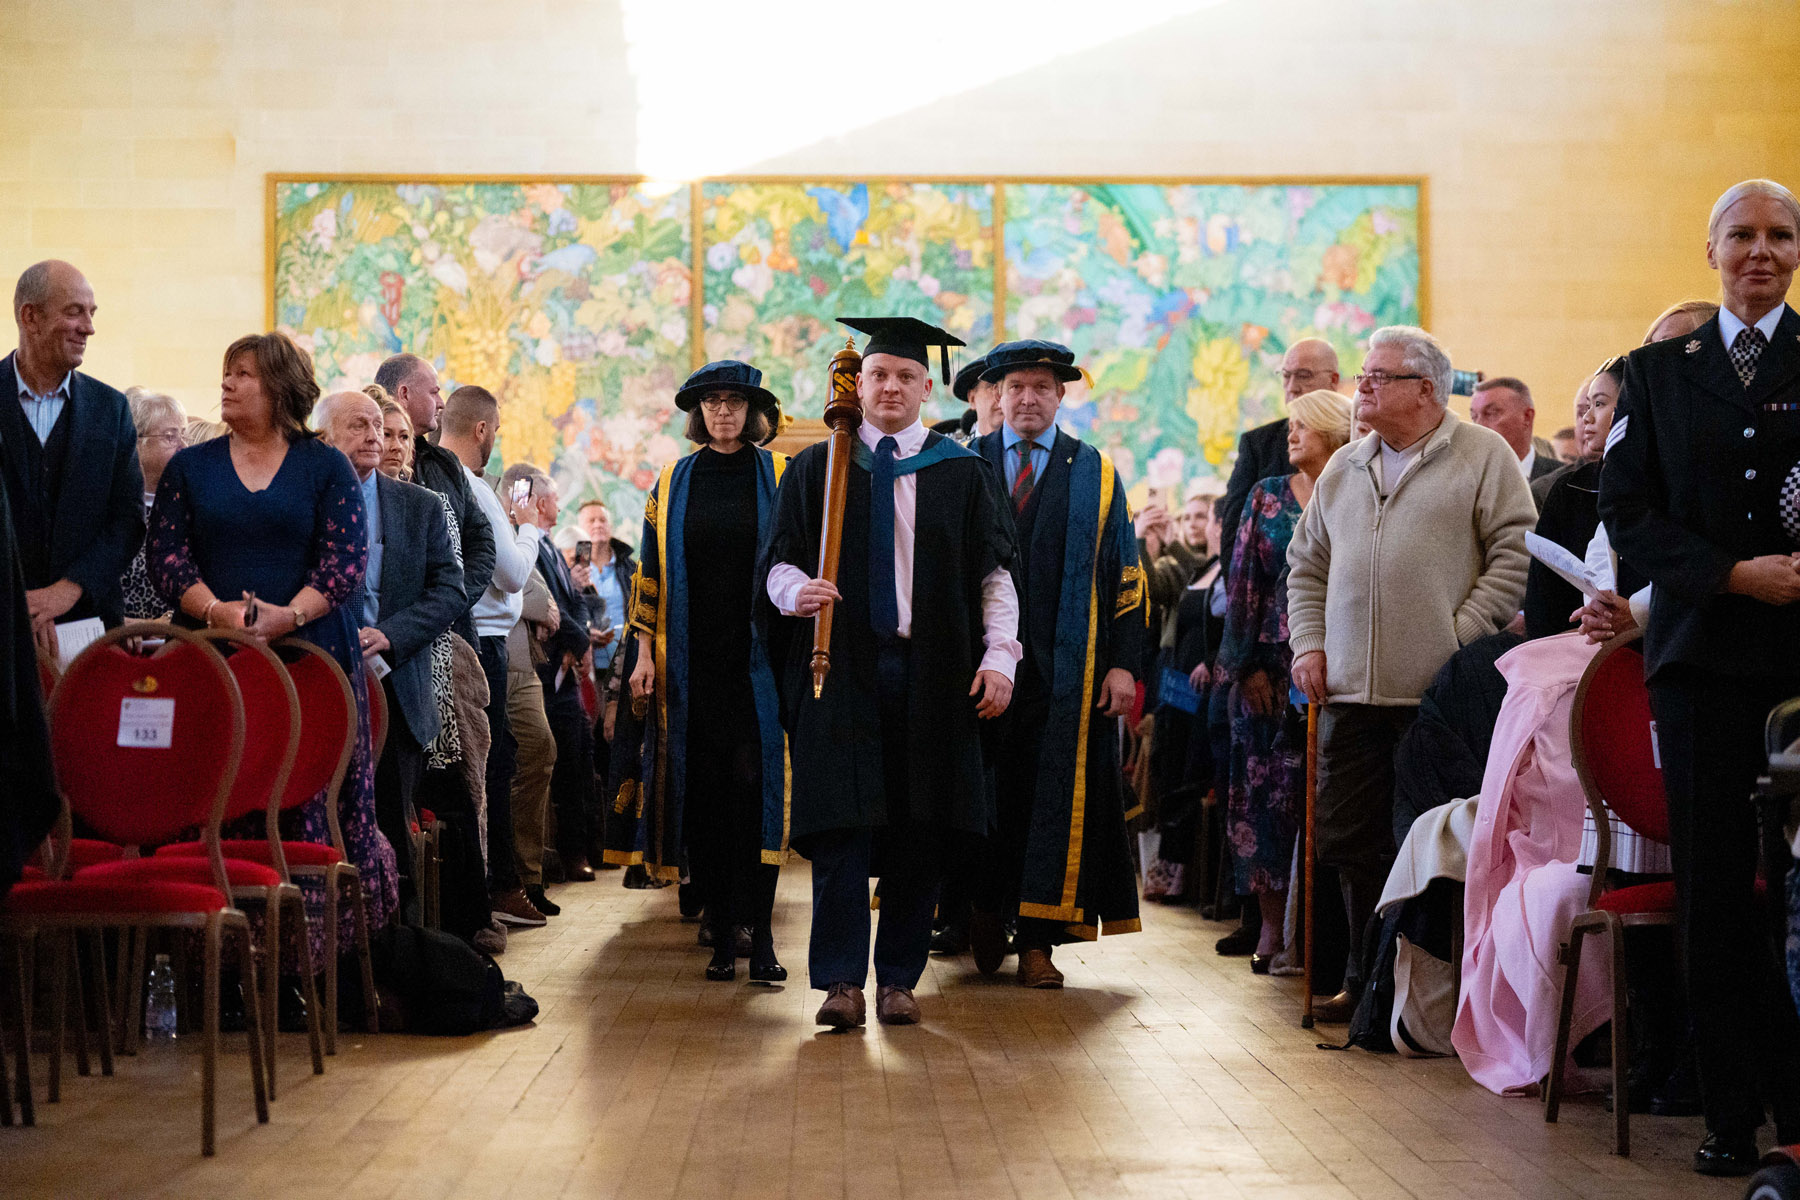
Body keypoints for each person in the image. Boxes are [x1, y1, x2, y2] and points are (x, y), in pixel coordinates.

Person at [1598, 178, 1800, 1176]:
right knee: (1715, 893)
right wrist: (1729, 575)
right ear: (1711, 250)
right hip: (1702, 664)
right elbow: (1628, 513)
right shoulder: (1655, 374)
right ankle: (1729, 1114)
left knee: (1796, 893)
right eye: (1742, 235)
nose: (1761, 251)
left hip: (1797, 665)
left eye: (1781, 235)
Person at [760, 316, 1020, 1027]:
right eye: (879, 375)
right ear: (859, 383)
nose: (891, 387)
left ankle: (899, 979)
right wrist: (795, 591)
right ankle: (841, 982)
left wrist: (1001, 657)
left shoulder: (962, 472)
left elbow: (996, 576)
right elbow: (777, 562)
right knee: (842, 826)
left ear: (927, 389)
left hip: (934, 671)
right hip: (840, 669)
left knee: (921, 827)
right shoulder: (817, 469)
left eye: (906, 376)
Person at [1287, 325, 1535, 1023]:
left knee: (1427, 845)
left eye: (1378, 376)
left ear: (1425, 389)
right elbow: (1306, 566)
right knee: (1350, 842)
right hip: (1349, 695)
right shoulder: (1345, 466)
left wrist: (1461, 637)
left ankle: (1425, 992)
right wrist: (1309, 643)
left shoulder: (1481, 455)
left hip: (1436, 699)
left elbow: (1516, 553)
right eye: (1363, 375)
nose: (1361, 386)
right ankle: (1365, 982)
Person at [146, 332, 399, 933]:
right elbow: (167, 557)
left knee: (305, 801)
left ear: (280, 387)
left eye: (243, 374)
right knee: (213, 792)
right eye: (227, 372)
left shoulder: (325, 465)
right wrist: (217, 613)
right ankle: (214, 953)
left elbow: (344, 560)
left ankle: (314, 954)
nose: (227, 383)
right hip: (213, 658)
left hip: (309, 658)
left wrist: (288, 616)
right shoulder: (190, 467)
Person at [971, 338, 1145, 988]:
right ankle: (982, 909)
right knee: (982, 796)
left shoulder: (1096, 472)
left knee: (1048, 803)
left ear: (1060, 395)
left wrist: (1123, 666)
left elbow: (1126, 573)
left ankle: (1038, 941)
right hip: (979, 667)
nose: (1027, 398)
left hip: (1068, 671)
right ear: (996, 395)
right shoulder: (966, 463)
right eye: (1015, 387)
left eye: (1041, 387)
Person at [620, 360, 791, 981]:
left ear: (753, 411)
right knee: (708, 801)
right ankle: (721, 931)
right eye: (713, 401)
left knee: (757, 797)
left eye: (735, 401)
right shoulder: (672, 481)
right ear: (699, 412)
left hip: (761, 667)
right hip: (691, 670)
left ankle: (762, 937)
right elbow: (648, 574)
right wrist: (643, 653)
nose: (723, 411)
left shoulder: (781, 474)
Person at [1217, 389, 1353, 970]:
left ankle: (1322, 935)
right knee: (1262, 802)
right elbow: (1243, 581)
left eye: (1303, 426)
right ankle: (1273, 927)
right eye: (1290, 425)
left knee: (1320, 799)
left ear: (1334, 433)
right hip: (1269, 670)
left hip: (1338, 662)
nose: (1290, 435)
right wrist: (1244, 667)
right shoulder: (1267, 496)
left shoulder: (1356, 488)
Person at [316, 389, 466, 892]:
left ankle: (399, 931)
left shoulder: (420, 506)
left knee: (393, 827)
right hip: (321, 682)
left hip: (396, 686)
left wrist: (391, 635)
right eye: (358, 426)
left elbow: (450, 590)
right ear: (324, 437)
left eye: (378, 427)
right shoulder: (306, 501)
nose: (375, 437)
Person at [435, 386, 542, 927]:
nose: (495, 438)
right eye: (495, 429)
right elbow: (513, 574)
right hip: (483, 642)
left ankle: (497, 882)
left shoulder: (447, 479)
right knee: (489, 768)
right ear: (482, 429)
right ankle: (498, 884)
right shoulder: (472, 486)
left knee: (490, 764)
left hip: (470, 636)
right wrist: (530, 529)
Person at [2, 260, 144, 657]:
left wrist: (67, 590)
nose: (89, 327)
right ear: (30, 317)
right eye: (74, 312)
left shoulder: (111, 409)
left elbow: (128, 520)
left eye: (91, 313)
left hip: (88, 629)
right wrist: (20, 603)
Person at [509, 466, 591, 912]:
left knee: (572, 762)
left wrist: (577, 637)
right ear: (540, 502)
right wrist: (575, 638)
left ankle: (564, 856)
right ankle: (537, 866)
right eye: (555, 499)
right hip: (539, 670)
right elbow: (540, 604)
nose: (559, 506)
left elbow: (569, 604)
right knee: (543, 761)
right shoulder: (525, 543)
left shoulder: (550, 547)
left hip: (562, 669)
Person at [373, 354, 495, 645]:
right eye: (434, 392)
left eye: (403, 437)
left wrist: (448, 600)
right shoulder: (362, 469)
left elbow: (482, 543)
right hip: (382, 633)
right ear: (404, 393)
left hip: (452, 634)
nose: (441, 403)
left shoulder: (446, 465)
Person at [1219, 337, 1339, 581]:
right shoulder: (1258, 445)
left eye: (1304, 375)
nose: (1292, 387)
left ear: (1333, 381)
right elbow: (1234, 535)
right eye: (1286, 376)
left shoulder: (1357, 439)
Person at [121, 388, 188, 620]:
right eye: (170, 436)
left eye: (184, 435)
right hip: (115, 634)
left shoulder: (187, 507)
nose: (183, 446)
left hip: (176, 634)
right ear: (136, 441)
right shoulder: (111, 507)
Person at [1470, 376, 1560, 489]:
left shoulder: (1562, 479)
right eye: (1474, 416)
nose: (1478, 425)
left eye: (1491, 413)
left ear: (1527, 417)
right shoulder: (1465, 478)